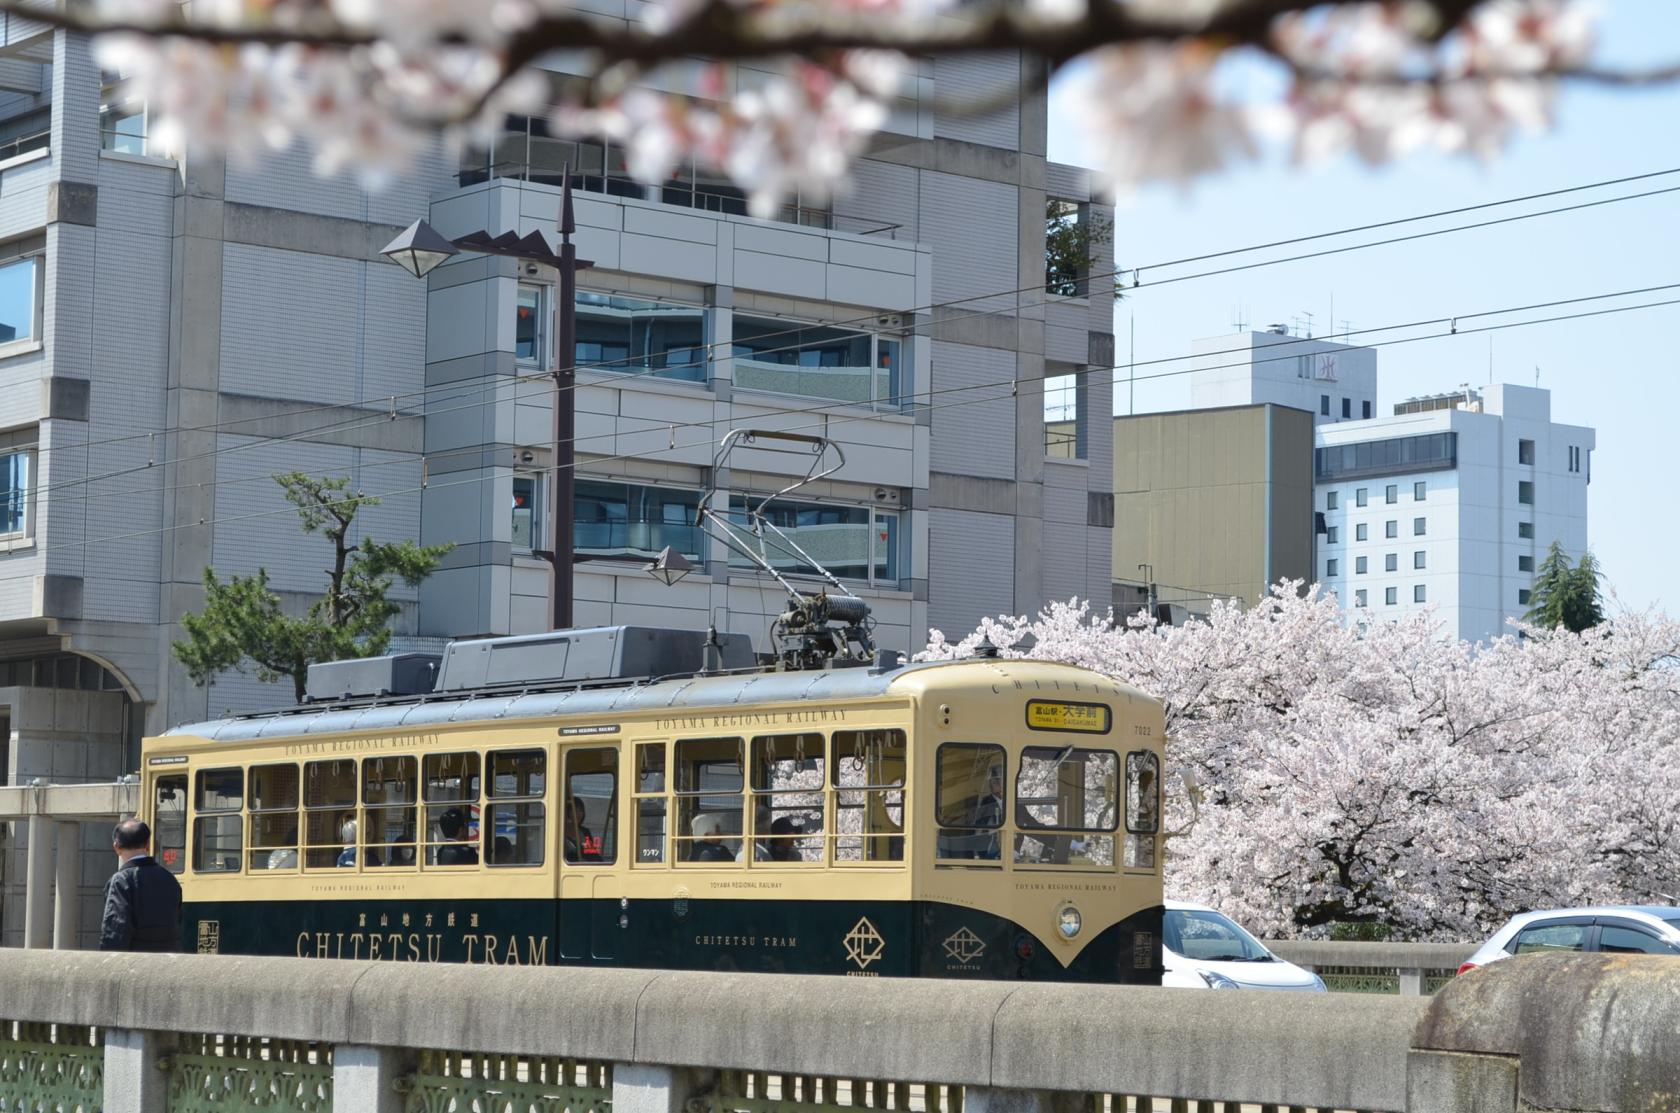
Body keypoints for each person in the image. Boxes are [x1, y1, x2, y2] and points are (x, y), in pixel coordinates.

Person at [99, 818, 183, 952]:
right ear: (148, 844)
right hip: (169, 961)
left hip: (135, 963)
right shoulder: (169, 878)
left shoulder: (121, 880)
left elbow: (116, 929)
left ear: (116, 847)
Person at [969, 766, 1005, 859]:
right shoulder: (985, 802)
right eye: (993, 781)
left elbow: (1029, 822)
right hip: (989, 852)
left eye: (999, 780)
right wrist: (975, 852)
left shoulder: (1014, 803)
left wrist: (1047, 839)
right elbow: (978, 828)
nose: (997, 783)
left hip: (1011, 853)